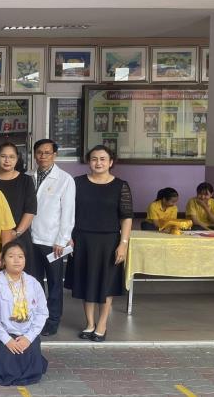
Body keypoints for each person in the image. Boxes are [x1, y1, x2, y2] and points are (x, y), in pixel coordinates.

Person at [67, 145, 133, 342]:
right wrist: (67, 237)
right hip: (82, 239)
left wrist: (123, 243)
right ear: (89, 161)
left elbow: (126, 217)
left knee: (106, 284)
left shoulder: (121, 186)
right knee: (86, 282)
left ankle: (102, 324)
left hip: (109, 241)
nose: (98, 163)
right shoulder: (77, 183)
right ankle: (89, 323)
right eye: (94, 159)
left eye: (103, 159)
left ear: (111, 162)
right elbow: (68, 213)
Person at [0, 241, 49, 386]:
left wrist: (28, 338)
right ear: (3, 260)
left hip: (25, 334)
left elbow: (42, 313)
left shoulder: (33, 283)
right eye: (11, 256)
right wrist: (7, 340)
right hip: (2, 334)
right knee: (7, 370)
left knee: (31, 370)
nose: (16, 260)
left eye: (20, 256)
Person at [28, 139, 75, 336]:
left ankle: (53, 320)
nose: (43, 156)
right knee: (34, 282)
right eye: (39, 152)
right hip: (30, 240)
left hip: (53, 242)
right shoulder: (29, 176)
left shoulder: (65, 179)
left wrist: (62, 239)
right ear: (34, 154)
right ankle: (35, 317)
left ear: (55, 155)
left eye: (47, 152)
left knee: (55, 283)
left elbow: (68, 212)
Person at [0, 142, 36, 280]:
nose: (7, 160)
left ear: (17, 158)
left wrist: (16, 233)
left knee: (19, 280)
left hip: (18, 237)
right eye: (3, 156)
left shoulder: (26, 180)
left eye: (11, 157)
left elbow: (30, 210)